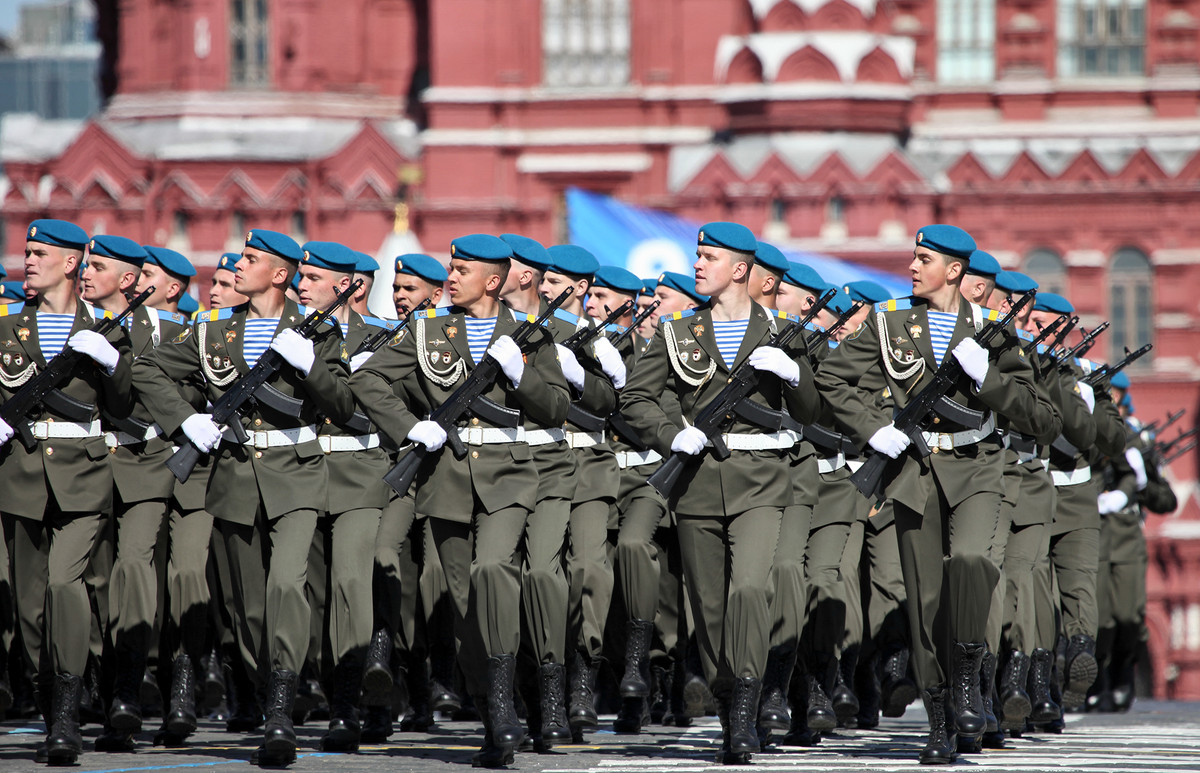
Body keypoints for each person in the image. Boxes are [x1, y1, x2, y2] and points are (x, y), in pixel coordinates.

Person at [816, 224, 1054, 764]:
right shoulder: (889, 322)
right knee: (925, 604)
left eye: (924, 258)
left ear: (954, 271)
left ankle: (969, 676)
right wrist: (874, 427)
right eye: (913, 257)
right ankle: (943, 717)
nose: (912, 267)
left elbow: (1044, 415)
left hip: (980, 467)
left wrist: (988, 379)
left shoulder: (995, 333)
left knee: (971, 562)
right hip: (915, 471)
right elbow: (832, 378)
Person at [132, 228, 354, 767]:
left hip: (297, 474)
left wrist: (309, 366)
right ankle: (268, 688)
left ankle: (280, 706)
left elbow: (343, 404)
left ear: (279, 275)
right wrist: (186, 419)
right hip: (232, 476)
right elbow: (148, 368)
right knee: (246, 606)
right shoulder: (213, 334)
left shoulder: (313, 331)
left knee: (286, 585)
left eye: (250, 260)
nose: (236, 268)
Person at [350, 234, 570, 768]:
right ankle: (495, 706)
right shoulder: (426, 330)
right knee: (465, 604)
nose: (451, 276)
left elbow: (557, 406)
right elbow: (368, 377)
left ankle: (503, 705)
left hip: (509, 477)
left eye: (463, 270)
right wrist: (411, 426)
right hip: (445, 477)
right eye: (451, 267)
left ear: (493, 282)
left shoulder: (523, 332)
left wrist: (519, 375)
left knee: (495, 571)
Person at [621, 221, 822, 764]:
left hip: (762, 478)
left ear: (740, 269)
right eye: (698, 254)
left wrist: (794, 375)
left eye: (709, 256)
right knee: (709, 608)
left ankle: (742, 718)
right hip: (698, 481)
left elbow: (812, 414)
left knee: (750, 592)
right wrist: (671, 433)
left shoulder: (782, 332)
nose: (698, 264)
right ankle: (729, 689)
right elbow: (636, 399)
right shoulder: (677, 333)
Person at [0, 220, 135, 765]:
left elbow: (124, 406)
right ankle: (47, 691)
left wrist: (111, 362)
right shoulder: (8, 328)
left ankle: (66, 717)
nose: (27, 259)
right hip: (21, 476)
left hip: (84, 474)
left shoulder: (104, 328)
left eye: (39, 253)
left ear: (72, 262)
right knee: (30, 608)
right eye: (26, 251)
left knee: (64, 582)